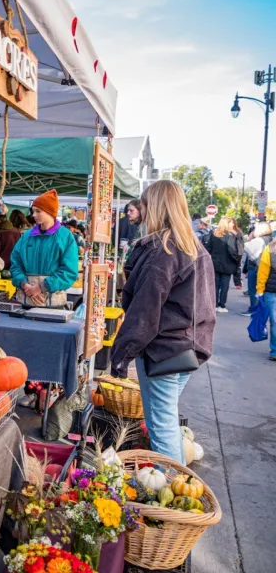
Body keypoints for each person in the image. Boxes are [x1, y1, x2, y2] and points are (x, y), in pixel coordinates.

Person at [111, 180, 215, 464]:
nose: (140, 212)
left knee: (162, 427)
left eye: (143, 205)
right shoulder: (193, 247)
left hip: (164, 349)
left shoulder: (164, 251)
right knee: (165, 421)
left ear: (153, 206)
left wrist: (121, 355)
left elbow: (144, 312)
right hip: (187, 348)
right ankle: (178, 483)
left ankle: (174, 486)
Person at [10, 190, 79, 307]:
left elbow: (69, 272)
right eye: (33, 211)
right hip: (25, 303)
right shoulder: (26, 236)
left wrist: (41, 287)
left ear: (50, 213)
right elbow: (15, 265)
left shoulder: (65, 237)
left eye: (38, 211)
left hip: (54, 305)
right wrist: (24, 284)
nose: (33, 215)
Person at [205, 217, 241, 313]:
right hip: (228, 264)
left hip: (215, 263)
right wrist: (237, 259)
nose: (233, 225)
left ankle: (214, 304)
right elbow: (233, 250)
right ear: (227, 224)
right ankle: (222, 304)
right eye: (231, 223)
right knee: (225, 285)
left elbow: (208, 248)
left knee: (215, 285)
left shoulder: (214, 234)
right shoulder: (232, 235)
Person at [242, 222, 273, 315]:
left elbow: (247, 247)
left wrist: (250, 236)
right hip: (267, 267)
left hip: (255, 267)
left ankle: (254, 309)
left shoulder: (258, 240)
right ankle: (262, 309)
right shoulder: (270, 239)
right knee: (263, 290)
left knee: (253, 290)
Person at [255, 235, 276, 361]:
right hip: (271, 292)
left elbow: (262, 273)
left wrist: (260, 290)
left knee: (274, 321)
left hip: (271, 291)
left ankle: (274, 350)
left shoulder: (270, 249)